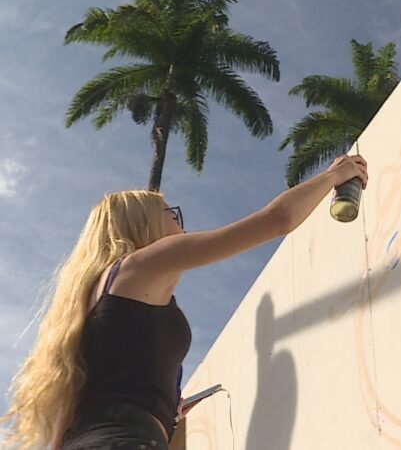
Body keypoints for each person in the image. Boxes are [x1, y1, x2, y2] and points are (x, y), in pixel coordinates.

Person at [0, 154, 368, 449]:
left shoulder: (91, 301)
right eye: (170, 214)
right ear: (144, 224)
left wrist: (163, 409)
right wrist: (333, 177)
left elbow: (67, 421)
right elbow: (276, 220)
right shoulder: (143, 265)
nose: (179, 223)